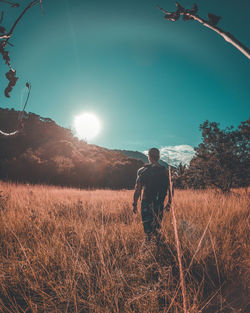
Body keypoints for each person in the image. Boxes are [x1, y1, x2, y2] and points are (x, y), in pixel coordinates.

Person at [132, 148, 172, 241]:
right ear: (158, 157)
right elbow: (171, 189)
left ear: (149, 157)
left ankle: (149, 245)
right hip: (159, 204)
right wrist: (169, 203)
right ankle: (158, 246)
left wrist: (134, 204)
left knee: (147, 230)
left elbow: (137, 189)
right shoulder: (165, 172)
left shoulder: (142, 170)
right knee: (157, 227)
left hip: (146, 203)